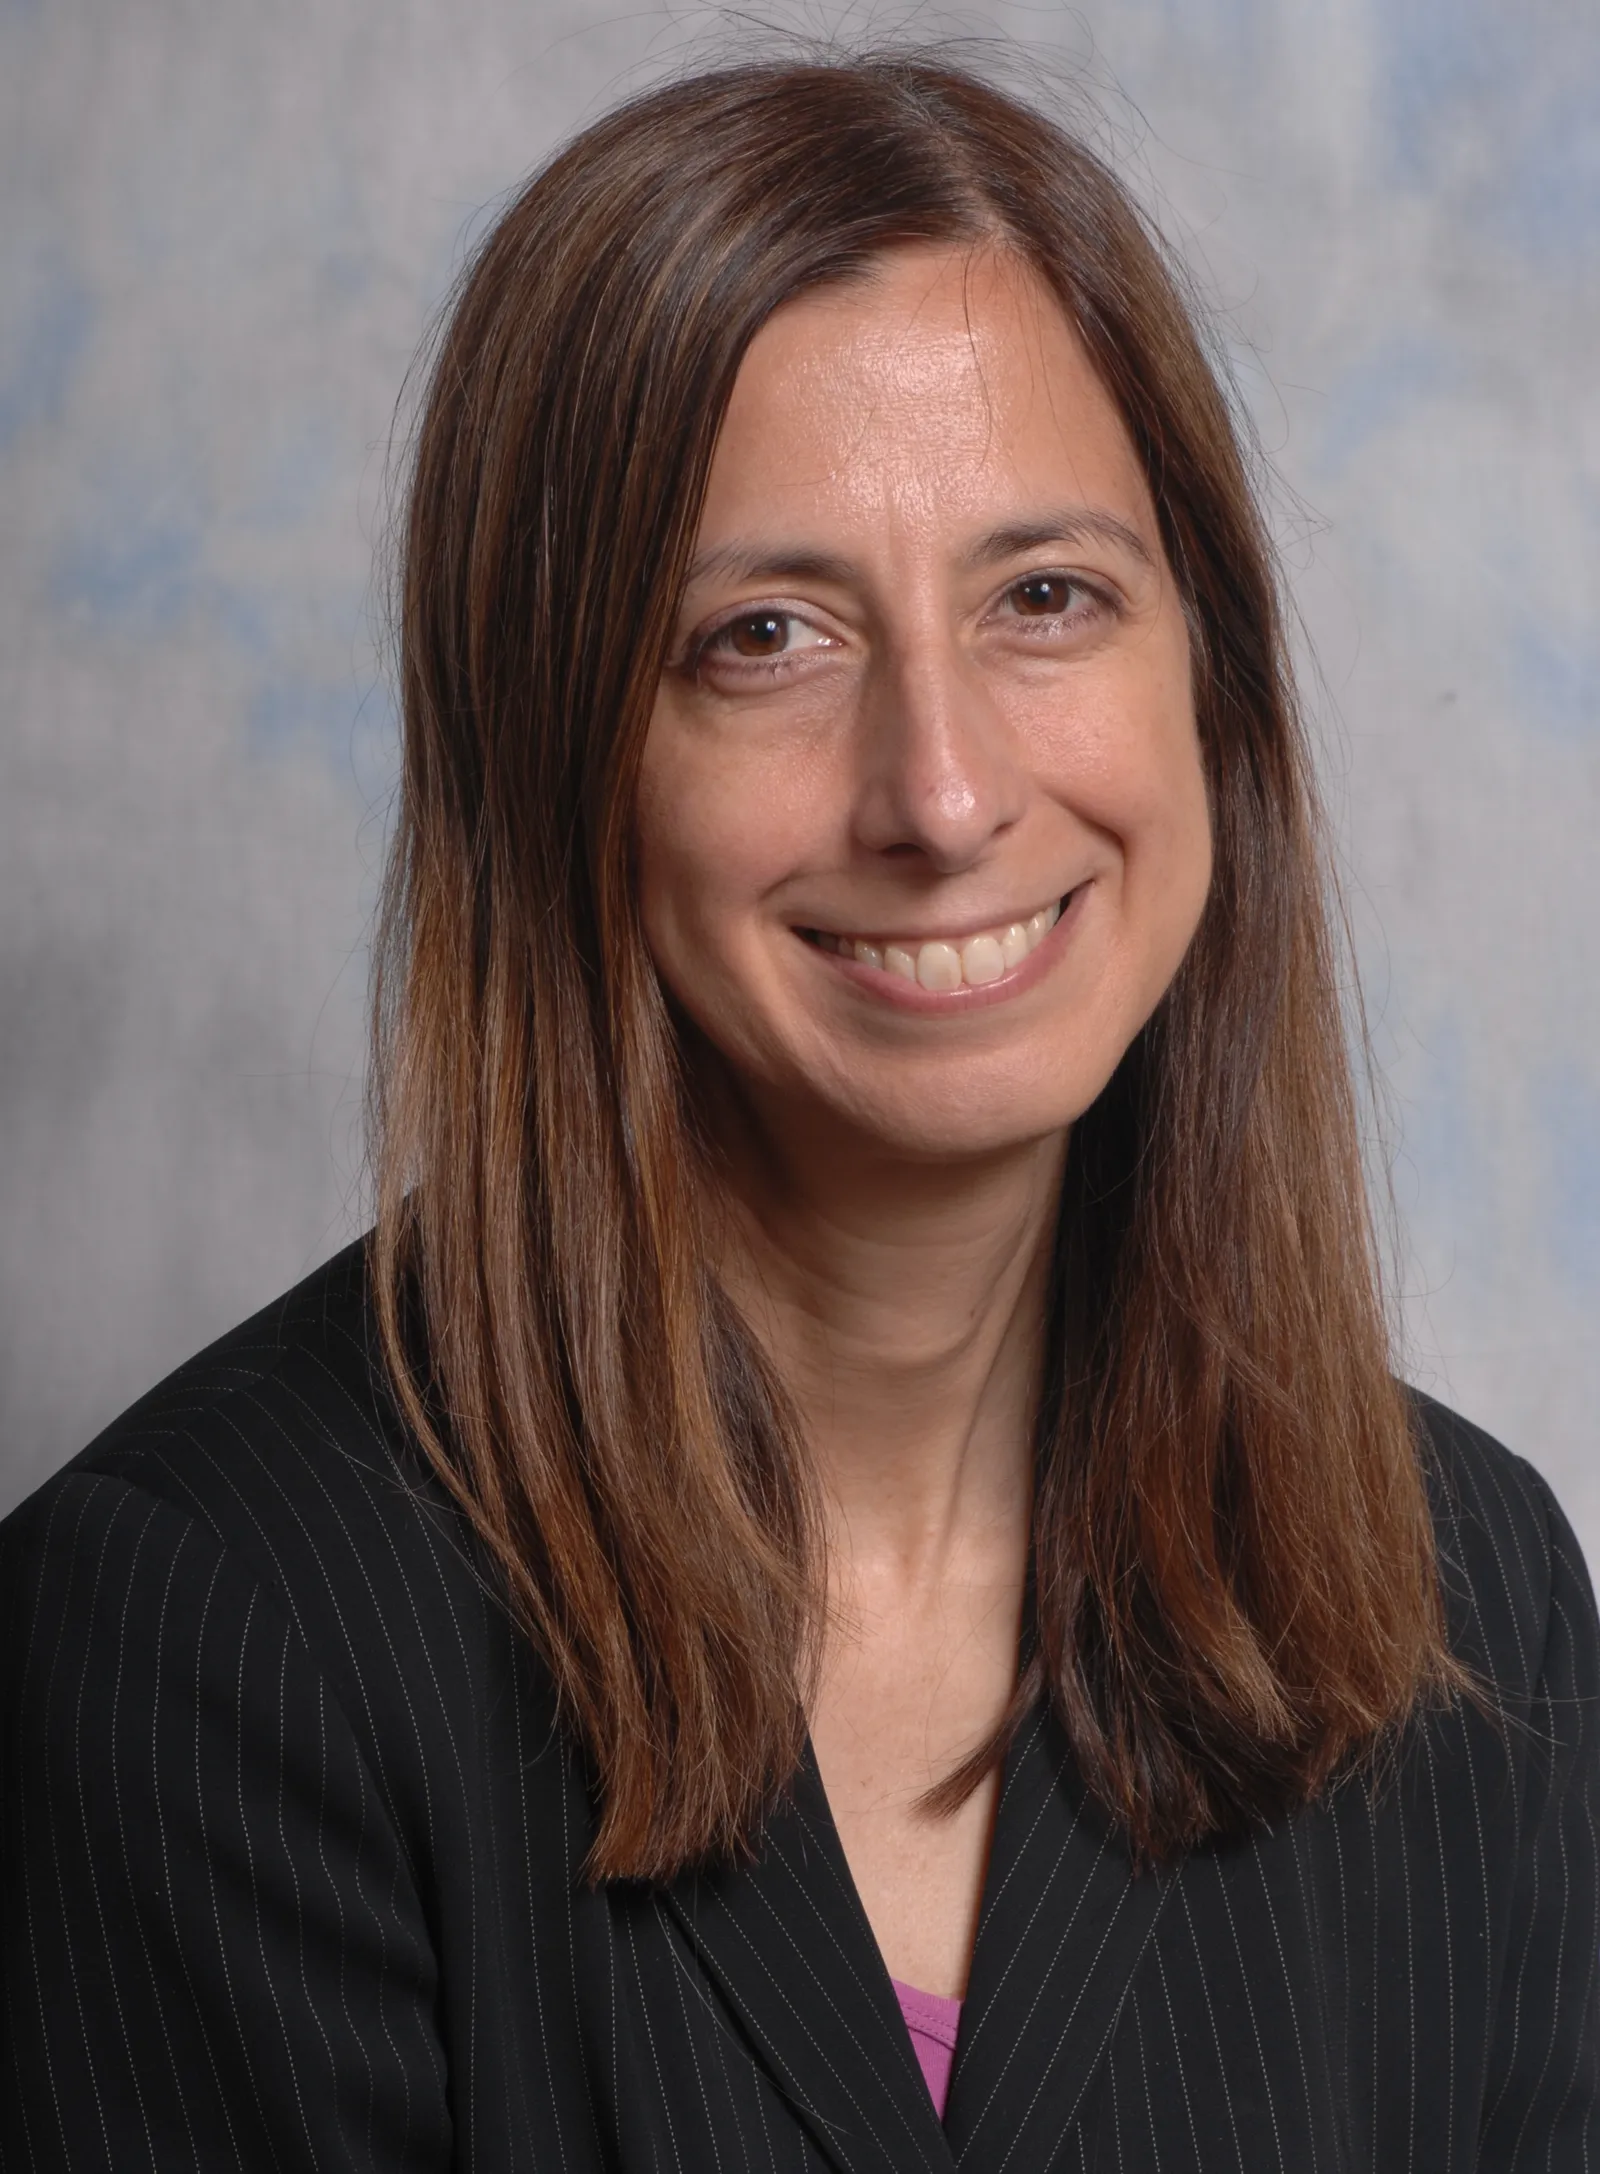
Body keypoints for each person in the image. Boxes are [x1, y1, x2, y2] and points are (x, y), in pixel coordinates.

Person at [2, 50, 1595, 2172]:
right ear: (559, 754)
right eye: (761, 636)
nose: (938, 793)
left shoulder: (1460, 1591)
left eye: (1044, 596)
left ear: (1206, 690)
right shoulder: (200, 1640)